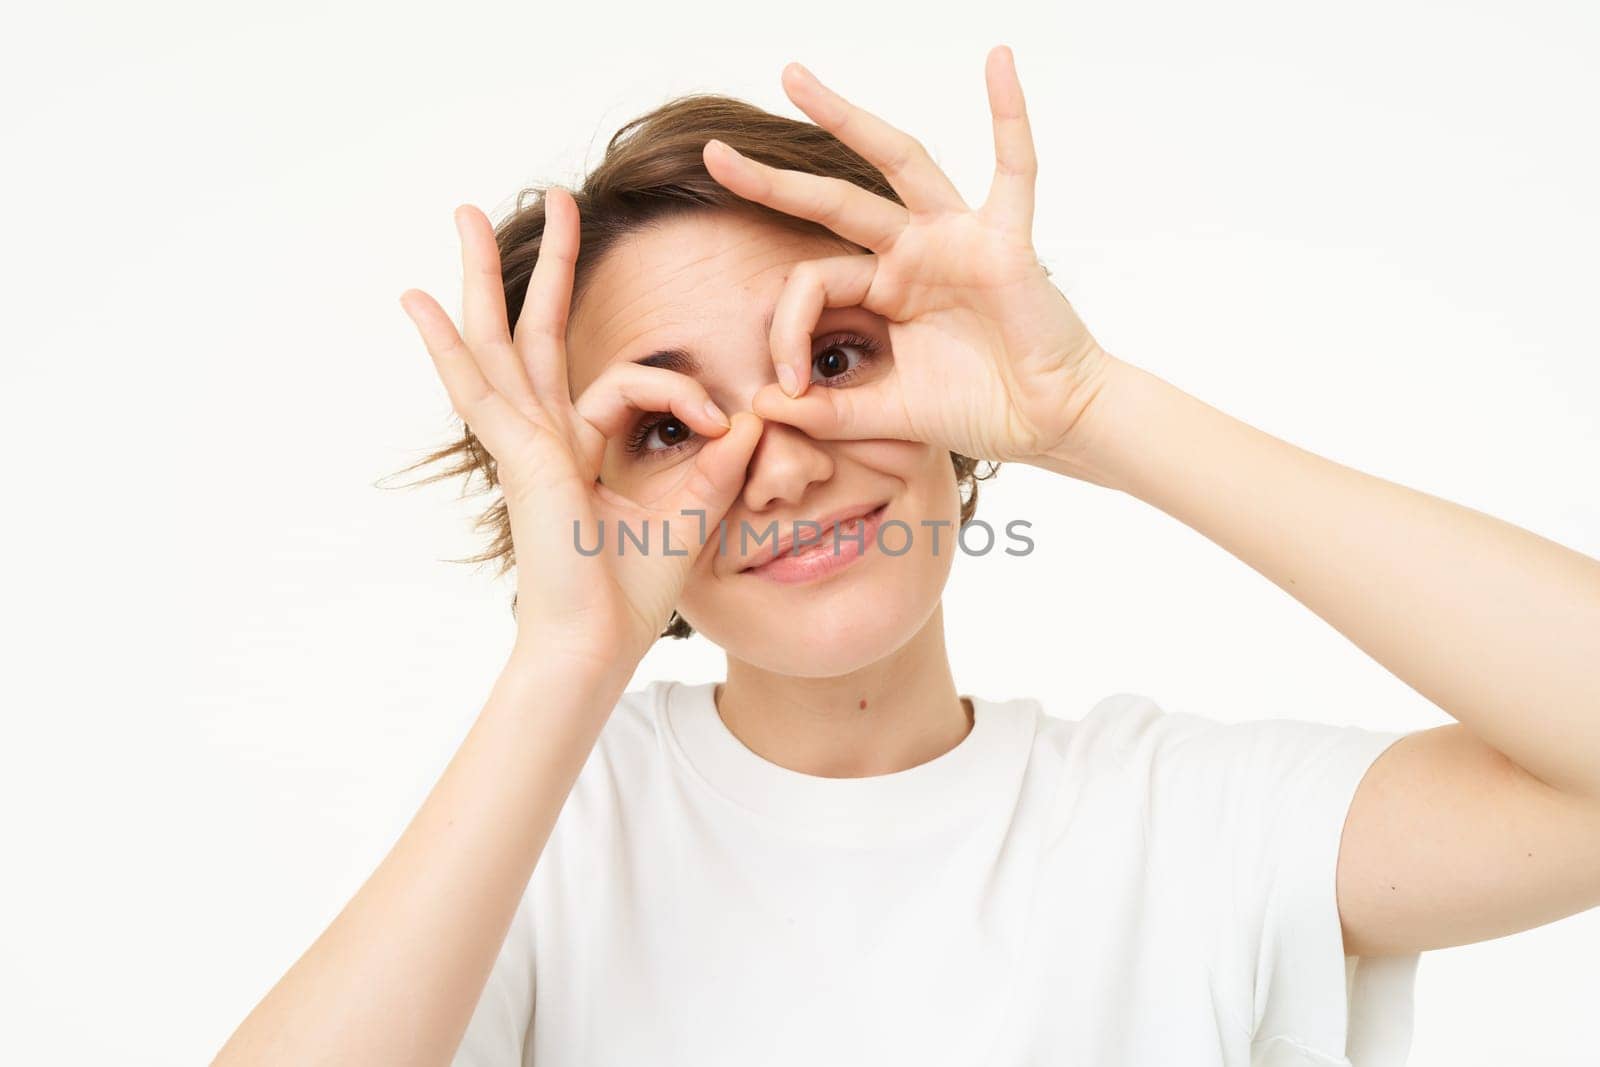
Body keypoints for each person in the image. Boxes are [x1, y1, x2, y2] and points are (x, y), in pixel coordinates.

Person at [211, 45, 1600, 1067]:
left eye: (832, 359)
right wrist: (568, 654)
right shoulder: (542, 838)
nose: (783, 457)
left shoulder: (1185, 823)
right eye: (661, 423)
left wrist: (1093, 410)